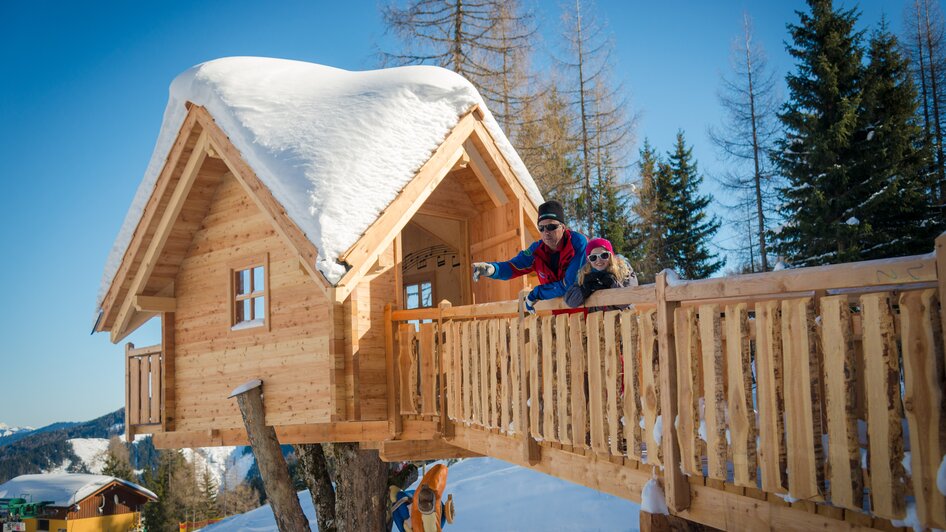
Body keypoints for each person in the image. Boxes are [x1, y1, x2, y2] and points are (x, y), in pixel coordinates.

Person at [471, 200, 587, 313]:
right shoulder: (536, 251)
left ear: (563, 227)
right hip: (559, 315)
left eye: (551, 227)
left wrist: (537, 293)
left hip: (588, 312)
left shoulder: (577, 243)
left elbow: (570, 284)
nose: (546, 232)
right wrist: (493, 269)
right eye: (541, 228)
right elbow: (513, 266)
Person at [564, 237, 638, 311]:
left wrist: (612, 283)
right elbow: (570, 301)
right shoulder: (585, 274)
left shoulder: (623, 269)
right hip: (598, 320)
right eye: (593, 257)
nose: (599, 260)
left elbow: (627, 300)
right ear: (589, 260)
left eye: (604, 255)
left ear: (610, 256)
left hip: (624, 318)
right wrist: (585, 288)